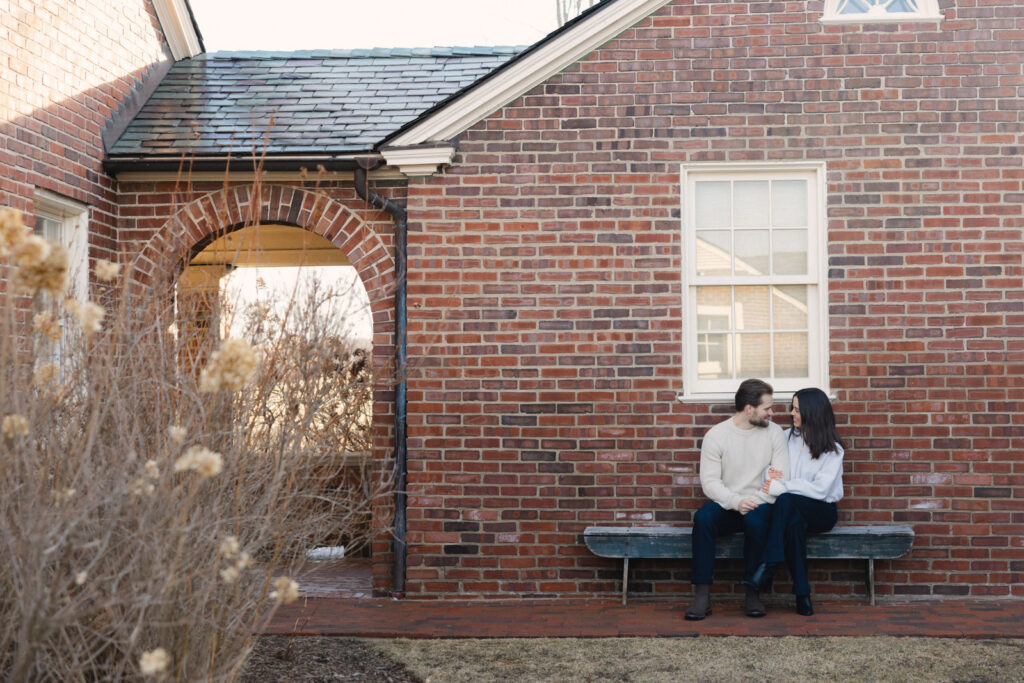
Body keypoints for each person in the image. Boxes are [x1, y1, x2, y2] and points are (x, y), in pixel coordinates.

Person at [686, 379, 789, 620]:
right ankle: (702, 595)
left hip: (762, 503)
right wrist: (735, 501)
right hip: (729, 503)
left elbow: (780, 476)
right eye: (767, 408)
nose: (771, 413)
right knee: (703, 519)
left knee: (756, 522)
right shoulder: (717, 435)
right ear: (749, 408)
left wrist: (756, 500)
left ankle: (753, 592)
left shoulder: (775, 433)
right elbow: (710, 483)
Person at [749, 387, 844, 617]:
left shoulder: (833, 450)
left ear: (812, 412)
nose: (791, 413)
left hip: (821, 512)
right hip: (789, 510)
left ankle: (770, 563)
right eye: (792, 408)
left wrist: (785, 486)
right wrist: (772, 479)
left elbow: (820, 490)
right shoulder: (784, 437)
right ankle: (803, 595)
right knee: (792, 522)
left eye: (797, 409)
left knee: (787, 502)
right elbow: (768, 471)